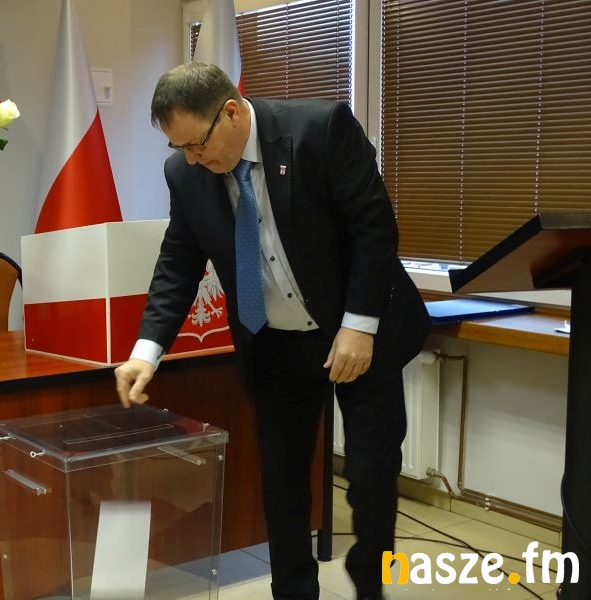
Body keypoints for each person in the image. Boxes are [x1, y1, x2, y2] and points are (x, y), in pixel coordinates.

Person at [114, 62, 431, 600]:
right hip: (277, 344)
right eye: (179, 148)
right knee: (282, 483)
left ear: (231, 112)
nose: (191, 159)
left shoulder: (319, 130)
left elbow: (374, 229)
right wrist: (147, 352)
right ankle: (294, 591)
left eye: (196, 144)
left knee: (372, 474)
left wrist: (359, 326)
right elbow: (178, 262)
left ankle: (370, 586)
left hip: (358, 330)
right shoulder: (186, 175)